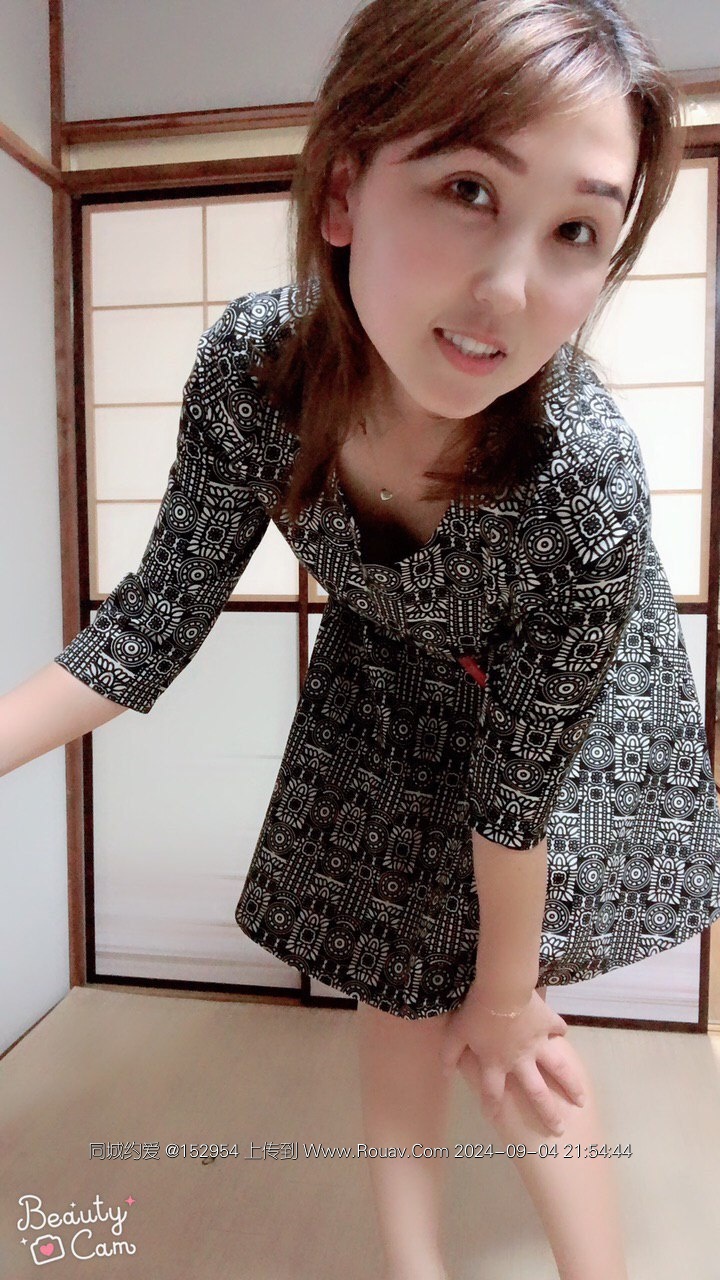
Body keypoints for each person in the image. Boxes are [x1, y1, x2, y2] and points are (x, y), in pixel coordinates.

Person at [3, 2, 719, 1278]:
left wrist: (505, 991)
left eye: (576, 231)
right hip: (391, 666)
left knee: (513, 1033)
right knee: (391, 977)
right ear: (342, 190)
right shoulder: (255, 373)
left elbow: (516, 795)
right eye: (467, 189)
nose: (508, 291)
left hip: (569, 712)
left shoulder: (583, 478)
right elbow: (146, 628)